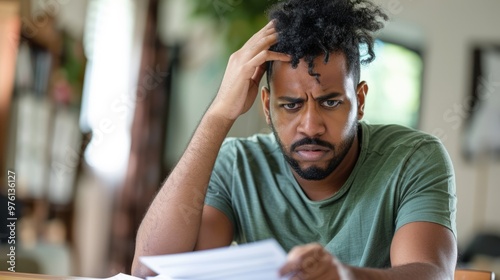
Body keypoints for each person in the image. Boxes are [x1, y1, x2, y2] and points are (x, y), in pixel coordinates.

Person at [132, 0, 457, 279]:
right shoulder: (238, 165)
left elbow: (432, 272)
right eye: (291, 105)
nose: (310, 126)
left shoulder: (414, 158)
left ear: (359, 102)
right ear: (266, 107)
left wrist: (344, 277)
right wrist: (219, 115)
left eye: (330, 102)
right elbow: (149, 271)